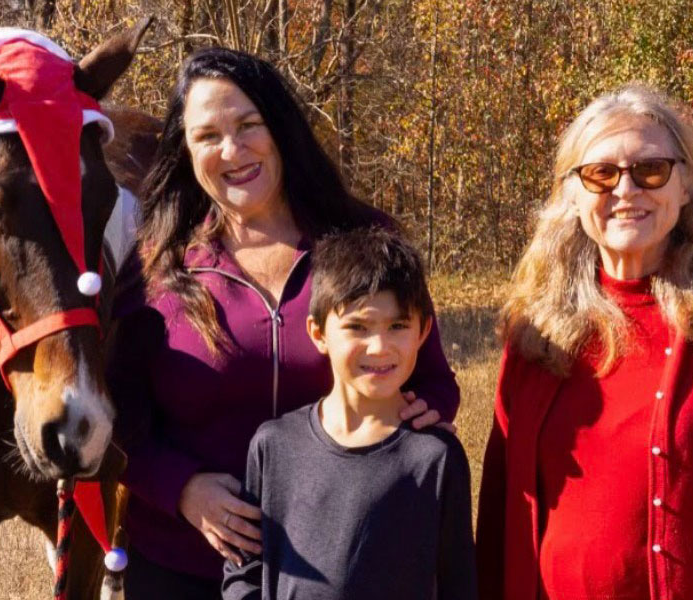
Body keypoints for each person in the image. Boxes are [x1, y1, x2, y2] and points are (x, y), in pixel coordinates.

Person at [107, 48, 460, 598]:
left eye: (249, 125)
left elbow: (434, 378)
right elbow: (119, 415)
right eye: (207, 136)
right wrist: (182, 490)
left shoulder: (362, 239)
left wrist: (420, 417)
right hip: (184, 562)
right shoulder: (158, 264)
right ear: (186, 149)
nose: (233, 150)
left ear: (281, 129)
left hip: (335, 567)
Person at [475, 85, 693, 600]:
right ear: (573, 193)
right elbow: (502, 505)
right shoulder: (539, 326)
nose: (626, 190)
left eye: (651, 170)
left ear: (684, 185)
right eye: (602, 173)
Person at [220, 227, 477, 600]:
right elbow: (244, 572)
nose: (379, 346)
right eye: (357, 327)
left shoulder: (434, 458)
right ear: (319, 333)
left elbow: (459, 584)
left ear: (423, 332)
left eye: (398, 326)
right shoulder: (274, 446)